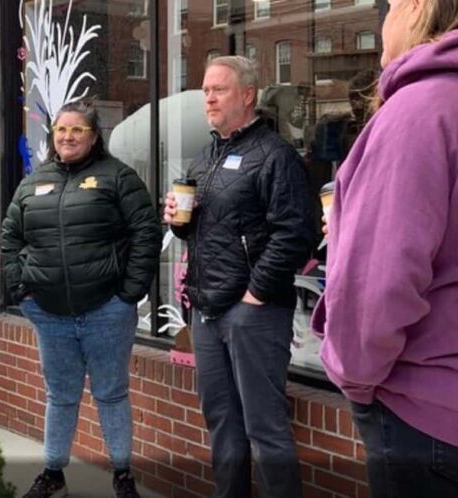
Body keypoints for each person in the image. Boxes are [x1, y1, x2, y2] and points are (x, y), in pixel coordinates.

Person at [310, 0, 458, 495]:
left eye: (389, 6)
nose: (385, 20)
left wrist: (354, 378)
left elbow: (377, 284)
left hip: (428, 409)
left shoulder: (418, 113)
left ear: (417, 6)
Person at [163, 55, 316, 498]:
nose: (208, 97)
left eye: (219, 89)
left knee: (266, 430)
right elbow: (200, 229)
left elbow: (296, 234)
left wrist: (254, 295)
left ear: (247, 95)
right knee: (222, 424)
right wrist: (177, 221)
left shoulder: (275, 155)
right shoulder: (206, 155)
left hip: (253, 313)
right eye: (205, 90)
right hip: (208, 311)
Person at [2, 100, 161, 498]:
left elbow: (146, 232)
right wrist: (21, 291)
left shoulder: (117, 177)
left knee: (111, 393)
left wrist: (129, 294)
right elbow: (9, 239)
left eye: (78, 130)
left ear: (94, 136)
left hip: (106, 310)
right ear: (53, 136)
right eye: (61, 130)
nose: (68, 137)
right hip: (49, 313)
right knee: (60, 395)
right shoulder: (32, 182)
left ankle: (123, 475)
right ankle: (53, 472)